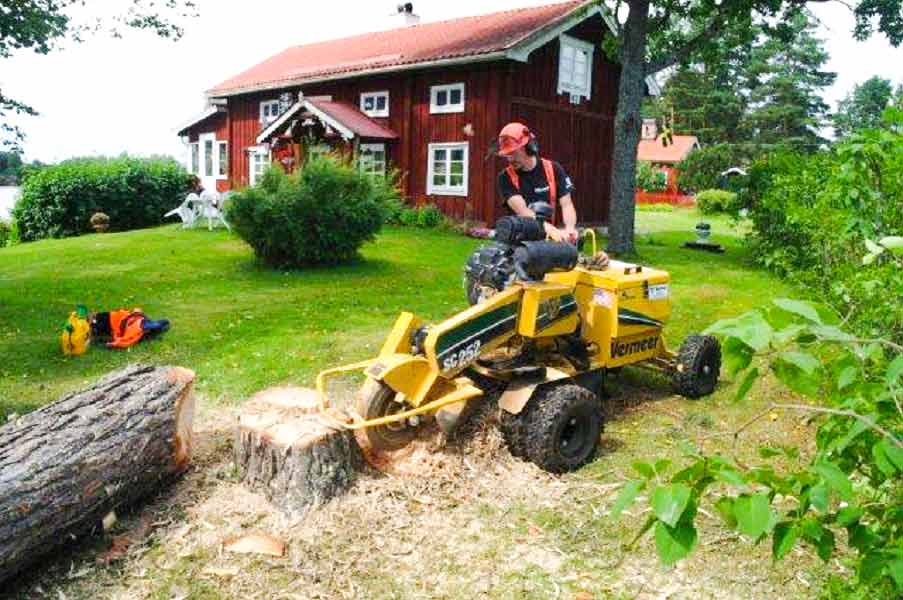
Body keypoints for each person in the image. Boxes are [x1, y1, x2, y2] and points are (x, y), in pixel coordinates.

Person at [496, 122, 578, 243]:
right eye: (507, 155)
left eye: (514, 153)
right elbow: (523, 211)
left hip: (549, 241)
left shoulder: (554, 168)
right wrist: (551, 230)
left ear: (529, 147)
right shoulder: (505, 177)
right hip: (519, 243)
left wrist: (570, 229)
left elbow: (567, 204)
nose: (510, 159)